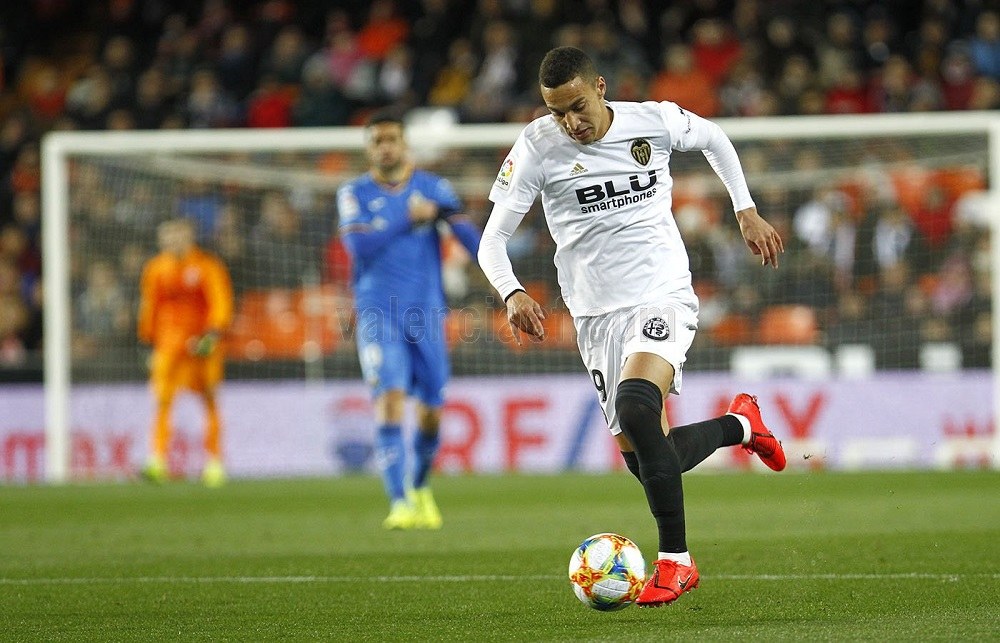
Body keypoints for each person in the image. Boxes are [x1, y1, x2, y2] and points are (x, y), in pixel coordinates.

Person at [478, 46, 787, 607]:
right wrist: (512, 291)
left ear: (600, 86)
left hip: (660, 292)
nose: (570, 122)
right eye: (557, 112)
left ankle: (676, 562)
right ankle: (740, 426)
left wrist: (744, 209)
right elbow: (492, 241)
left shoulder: (653, 121)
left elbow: (715, 137)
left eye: (577, 106)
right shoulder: (538, 147)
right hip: (594, 315)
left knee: (638, 408)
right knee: (648, 459)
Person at [337, 111, 480, 530]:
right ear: (369, 149)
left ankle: (419, 486)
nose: (385, 147)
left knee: (432, 411)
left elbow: (465, 234)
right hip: (377, 312)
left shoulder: (433, 187)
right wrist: (409, 219)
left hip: (426, 314)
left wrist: (495, 267)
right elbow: (359, 247)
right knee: (390, 399)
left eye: (392, 139)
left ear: (404, 145)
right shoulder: (354, 192)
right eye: (377, 141)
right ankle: (398, 502)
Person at [138, 217, 234, 487]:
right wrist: (147, 340)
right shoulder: (155, 268)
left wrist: (212, 335)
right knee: (162, 401)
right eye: (168, 236)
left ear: (190, 236)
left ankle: (215, 462)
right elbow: (150, 306)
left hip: (202, 345)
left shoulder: (207, 266)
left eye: (178, 235)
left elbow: (220, 302)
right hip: (169, 346)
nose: (172, 241)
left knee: (210, 400)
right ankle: (157, 460)